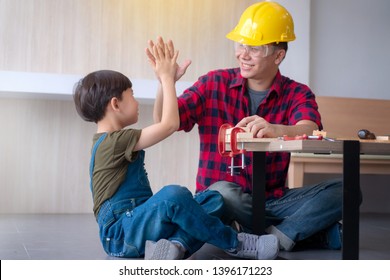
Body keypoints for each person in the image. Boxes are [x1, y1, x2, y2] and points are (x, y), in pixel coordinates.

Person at [148, 2, 344, 252]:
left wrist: (278, 129)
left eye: (254, 48)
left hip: (273, 201)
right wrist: (165, 82)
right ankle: (302, 234)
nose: (243, 54)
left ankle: (275, 235)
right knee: (222, 193)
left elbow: (310, 127)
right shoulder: (213, 83)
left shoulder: (297, 92)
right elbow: (164, 122)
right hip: (221, 199)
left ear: (278, 55)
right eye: (241, 45)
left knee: (346, 190)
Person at [73, 38, 279, 260]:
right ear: (115, 104)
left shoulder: (115, 140)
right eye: (131, 95)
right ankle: (236, 243)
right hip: (120, 234)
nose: (136, 102)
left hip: (138, 224)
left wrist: (165, 82)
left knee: (214, 199)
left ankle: (174, 246)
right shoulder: (113, 142)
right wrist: (166, 78)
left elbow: (165, 120)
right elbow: (169, 124)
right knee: (174, 194)